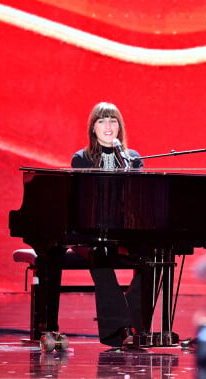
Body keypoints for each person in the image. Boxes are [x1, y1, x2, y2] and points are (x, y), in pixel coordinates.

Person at [71, 101, 145, 347]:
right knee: (98, 255)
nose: (108, 126)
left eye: (113, 121)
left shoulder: (132, 158)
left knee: (154, 260)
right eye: (101, 121)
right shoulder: (81, 159)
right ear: (93, 128)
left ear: (120, 127)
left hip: (124, 233)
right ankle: (118, 332)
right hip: (90, 235)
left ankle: (134, 323)